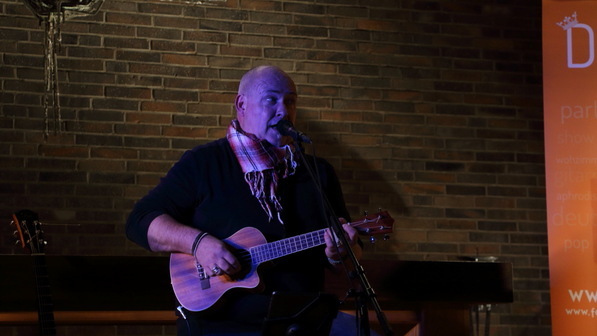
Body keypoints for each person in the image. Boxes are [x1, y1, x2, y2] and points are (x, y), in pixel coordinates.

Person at [126, 65, 366, 335]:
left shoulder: (317, 172)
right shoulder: (204, 163)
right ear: (241, 104)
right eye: (271, 99)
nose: (283, 110)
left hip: (305, 322)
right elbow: (140, 221)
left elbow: (349, 254)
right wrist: (199, 244)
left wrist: (340, 254)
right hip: (223, 325)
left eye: (290, 101)